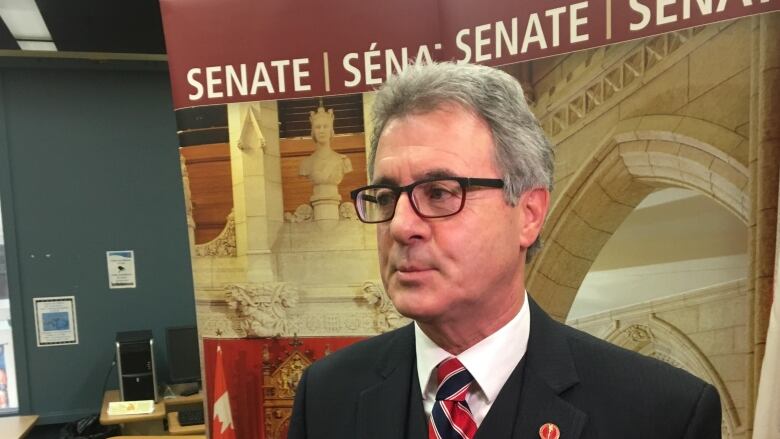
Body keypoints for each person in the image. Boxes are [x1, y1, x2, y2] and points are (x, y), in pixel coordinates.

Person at [288, 62, 721, 439]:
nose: (401, 226)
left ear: (529, 214)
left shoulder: (662, 414)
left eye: (439, 192)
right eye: (385, 196)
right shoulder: (327, 396)